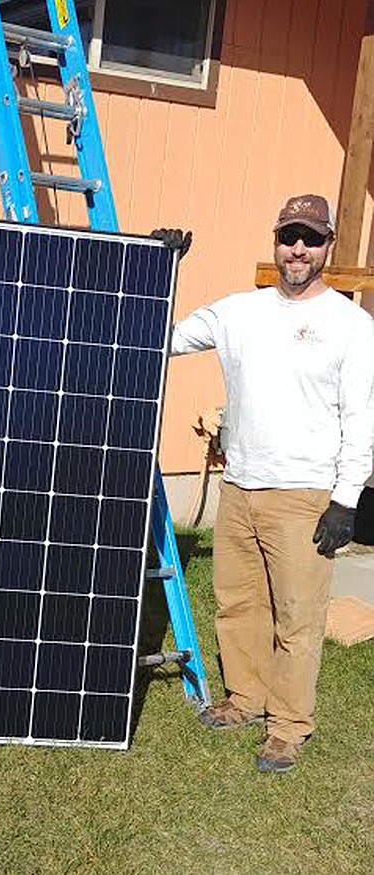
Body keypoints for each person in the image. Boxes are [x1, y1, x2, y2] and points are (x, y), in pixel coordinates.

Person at [166, 195, 374, 773]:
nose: (298, 250)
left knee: (297, 616)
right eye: (289, 237)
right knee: (238, 603)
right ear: (275, 242)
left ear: (329, 245)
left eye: (310, 238)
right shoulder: (238, 312)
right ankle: (246, 699)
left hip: (304, 494)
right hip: (240, 487)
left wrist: (346, 499)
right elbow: (166, 336)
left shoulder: (353, 327)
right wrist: (161, 267)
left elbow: (363, 419)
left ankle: (288, 725)